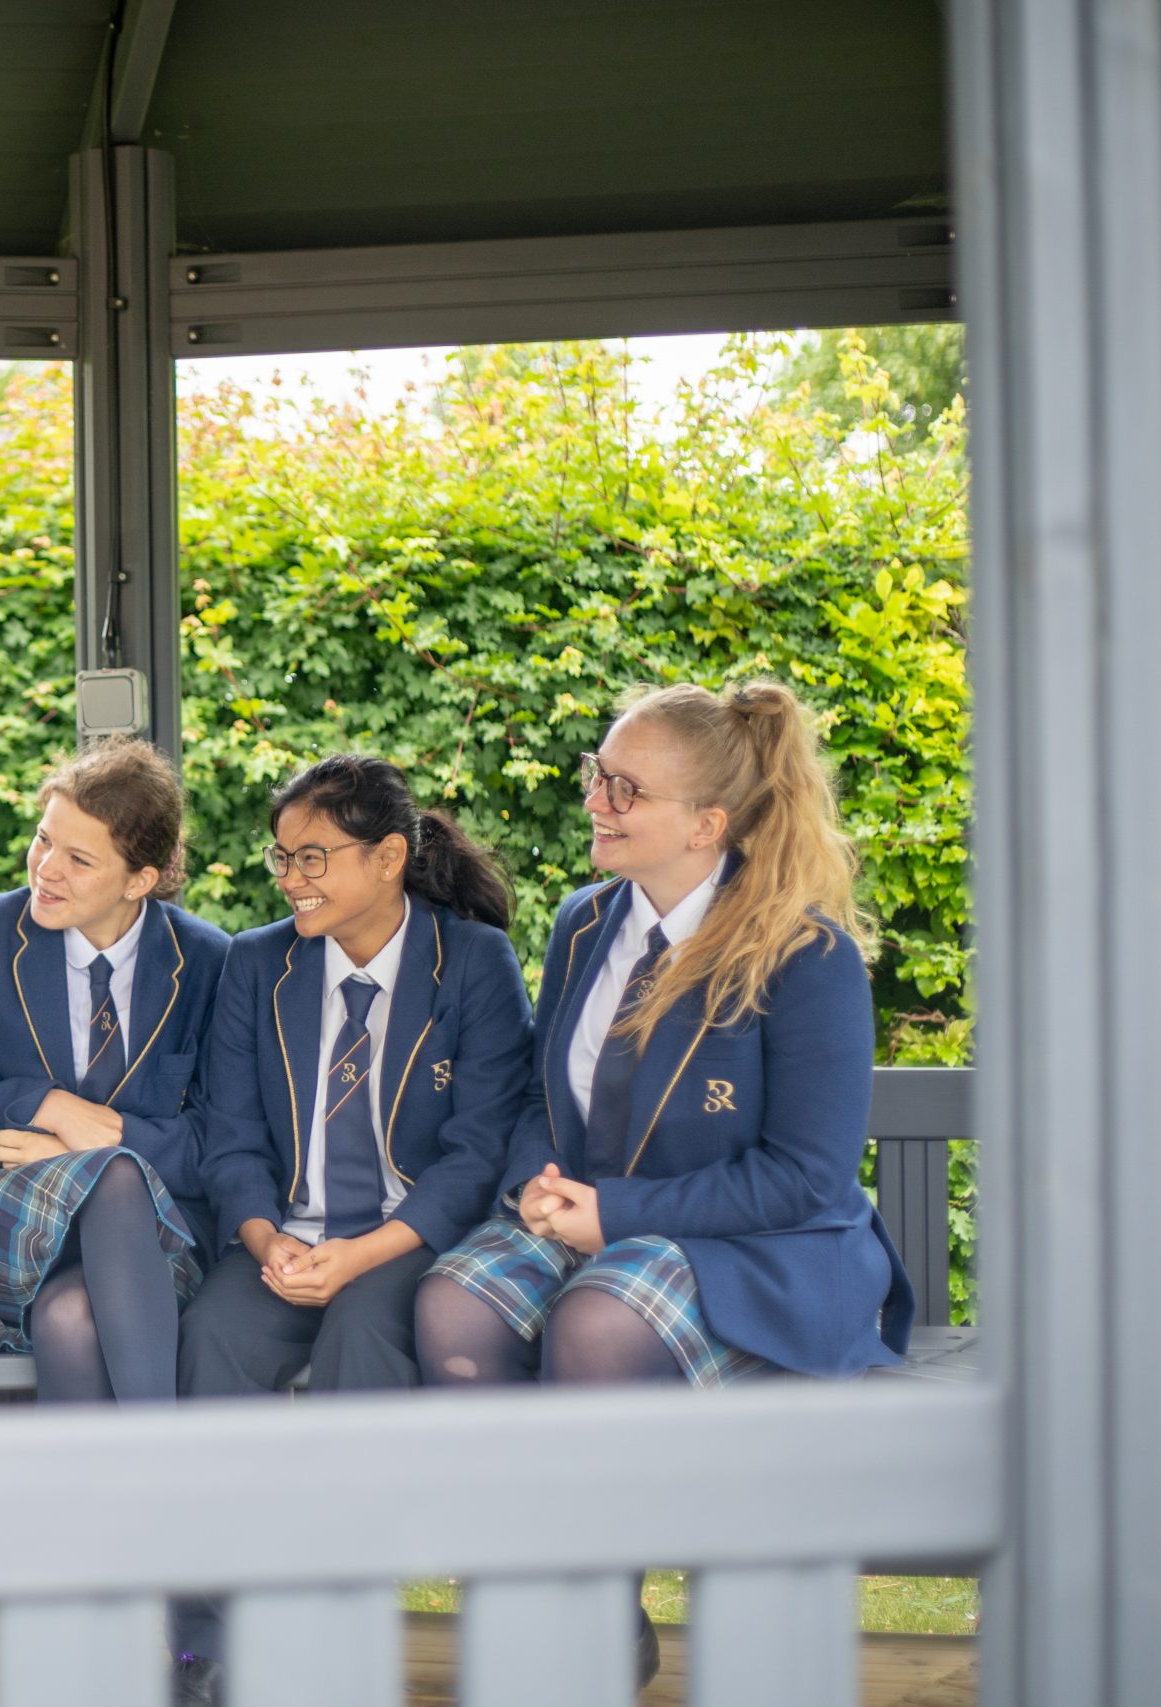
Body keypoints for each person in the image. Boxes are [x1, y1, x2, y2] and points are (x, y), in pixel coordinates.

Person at [414, 680, 916, 1687]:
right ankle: (558, 1589)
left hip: (764, 1251)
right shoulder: (583, 923)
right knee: (454, 1304)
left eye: (624, 789)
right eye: (597, 776)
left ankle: (586, 1629)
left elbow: (806, 1178)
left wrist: (615, 1215)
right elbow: (538, 1098)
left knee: (597, 1319)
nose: (595, 801)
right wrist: (537, 1188)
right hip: (597, 1221)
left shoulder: (803, 952)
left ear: (707, 824)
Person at [169, 753, 533, 1703]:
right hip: (283, 1239)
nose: (291, 878)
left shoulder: (472, 962)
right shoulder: (258, 964)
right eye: (282, 858)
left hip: (405, 1241)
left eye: (314, 856)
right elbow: (231, 1133)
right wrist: (263, 1238)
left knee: (366, 1331)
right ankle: (208, 1641)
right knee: (212, 1335)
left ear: (387, 858)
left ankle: (334, 1628)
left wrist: (368, 1252)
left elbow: (477, 1149)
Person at [0, 737, 229, 1404]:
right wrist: (49, 1106)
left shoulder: (208, 963)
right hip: (3, 1209)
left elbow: (220, 1138)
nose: (46, 868)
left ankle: (103, 1506)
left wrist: (96, 1140)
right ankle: (165, 1463)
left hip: (153, 1232)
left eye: (78, 858)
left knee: (72, 1317)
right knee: (117, 1171)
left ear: (140, 879)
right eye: (44, 840)